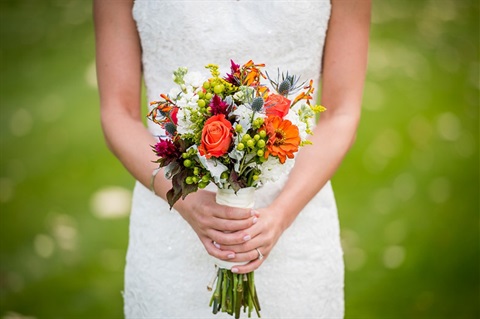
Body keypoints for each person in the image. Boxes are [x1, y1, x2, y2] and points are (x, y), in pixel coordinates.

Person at [93, 0, 370, 317]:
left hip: (297, 225)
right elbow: (118, 112)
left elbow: (341, 112)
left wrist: (280, 215)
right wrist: (186, 201)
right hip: (170, 223)